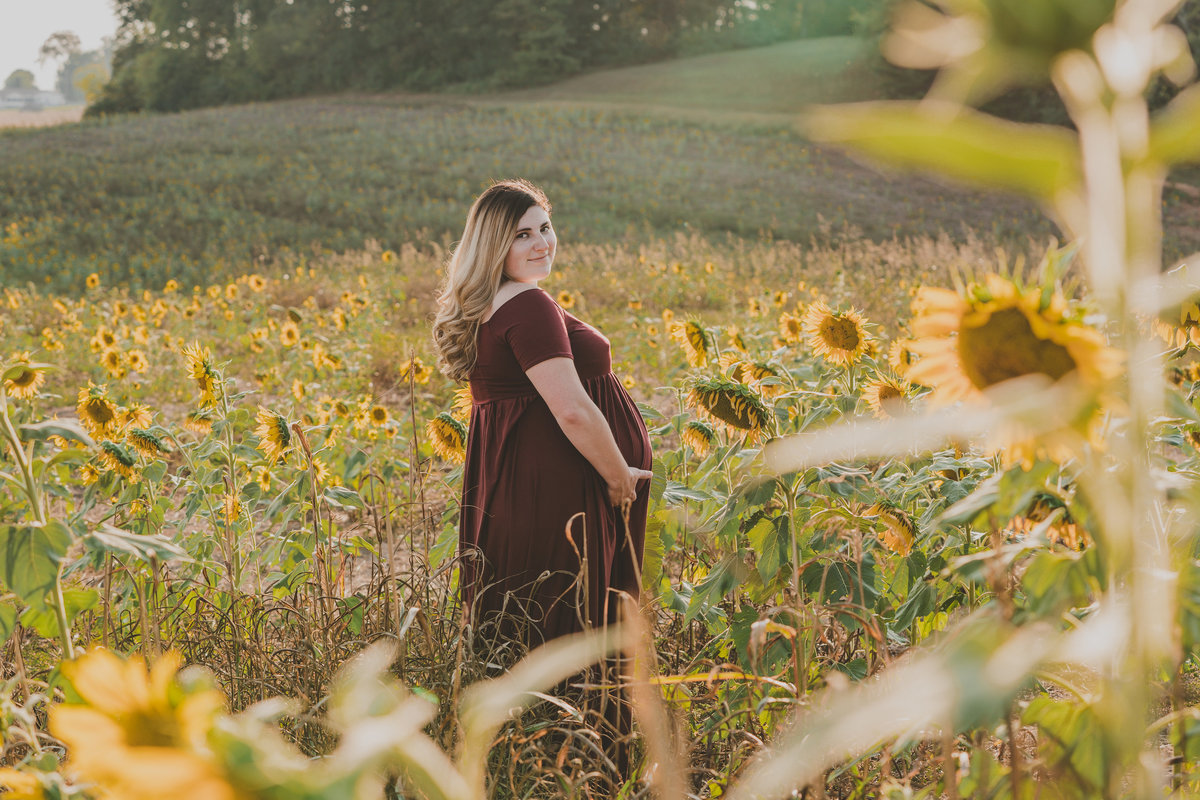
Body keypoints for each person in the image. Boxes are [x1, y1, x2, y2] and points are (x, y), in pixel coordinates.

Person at [432, 178, 653, 651]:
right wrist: (618, 477)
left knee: (532, 622)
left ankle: (532, 722)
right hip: (564, 494)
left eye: (545, 228)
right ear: (493, 245)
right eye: (522, 235)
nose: (542, 244)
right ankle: (580, 725)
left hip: (522, 489)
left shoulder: (491, 303)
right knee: (574, 621)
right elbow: (572, 410)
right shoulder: (528, 305)